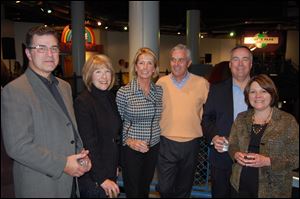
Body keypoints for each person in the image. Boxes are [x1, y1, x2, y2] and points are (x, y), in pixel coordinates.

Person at [1, 25, 91, 198]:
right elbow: (18, 146)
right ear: (28, 53)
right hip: (41, 185)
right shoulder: (16, 90)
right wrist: (64, 164)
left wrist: (81, 156)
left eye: (54, 48)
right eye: (41, 48)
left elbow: (69, 128)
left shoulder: (64, 86)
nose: (49, 54)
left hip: (70, 183)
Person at [229, 74, 299, 198]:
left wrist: (268, 161)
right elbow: (232, 144)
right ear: (247, 95)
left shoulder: (288, 121)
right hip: (239, 186)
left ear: (272, 94)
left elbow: (296, 158)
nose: (258, 96)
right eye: (253, 92)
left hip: (274, 190)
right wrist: (235, 154)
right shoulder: (241, 118)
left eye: (263, 91)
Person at [156, 44, 209, 198]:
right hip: (166, 142)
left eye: (181, 60)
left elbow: (212, 111)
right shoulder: (161, 83)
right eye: (173, 59)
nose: (176, 63)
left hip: (191, 143)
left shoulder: (202, 83)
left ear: (189, 63)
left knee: (184, 189)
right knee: (165, 188)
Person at [201, 45, 252, 198]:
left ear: (251, 64)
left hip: (252, 158)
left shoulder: (261, 90)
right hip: (222, 158)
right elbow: (206, 118)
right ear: (230, 65)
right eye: (235, 60)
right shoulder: (216, 90)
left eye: (245, 59)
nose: (240, 64)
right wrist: (214, 137)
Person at [116, 47, 163, 198]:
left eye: (150, 63)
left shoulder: (159, 91)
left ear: (155, 68)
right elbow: (116, 125)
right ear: (135, 67)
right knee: (133, 191)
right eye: (141, 63)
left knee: (145, 188)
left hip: (153, 147)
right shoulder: (125, 92)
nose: (145, 67)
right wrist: (129, 141)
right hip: (132, 149)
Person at [74, 54, 122, 198]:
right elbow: (89, 144)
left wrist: (116, 165)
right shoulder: (83, 102)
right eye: (98, 71)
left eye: (107, 71)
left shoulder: (110, 97)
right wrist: (102, 178)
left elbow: (114, 136)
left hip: (110, 168)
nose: (104, 76)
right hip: (94, 176)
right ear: (90, 75)